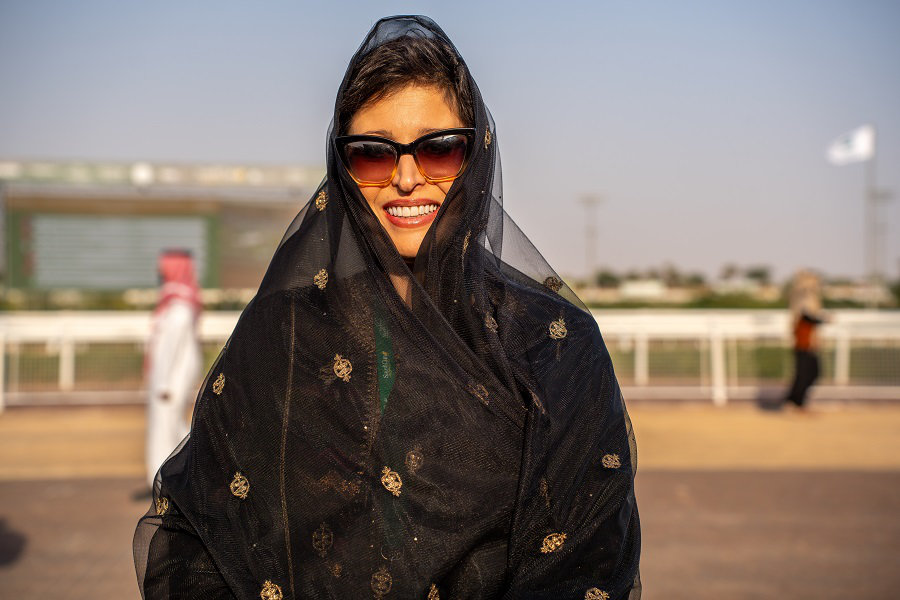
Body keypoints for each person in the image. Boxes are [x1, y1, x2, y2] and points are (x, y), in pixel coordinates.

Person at [134, 16, 640, 599]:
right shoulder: (285, 336)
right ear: (342, 171)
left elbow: (585, 557)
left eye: (438, 149)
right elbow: (201, 535)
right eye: (374, 154)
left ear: (474, 157)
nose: (405, 178)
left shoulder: (552, 345)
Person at [144, 249, 202, 488]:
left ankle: (170, 481)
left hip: (170, 381)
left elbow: (173, 350)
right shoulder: (172, 303)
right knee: (169, 427)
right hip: (165, 380)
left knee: (168, 428)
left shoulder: (180, 308)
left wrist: (165, 384)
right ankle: (174, 479)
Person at [784, 269, 826, 410]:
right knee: (805, 374)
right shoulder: (802, 295)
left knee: (811, 373)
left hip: (808, 343)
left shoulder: (808, 296)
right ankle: (795, 402)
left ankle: (795, 401)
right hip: (803, 344)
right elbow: (806, 317)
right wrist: (823, 320)